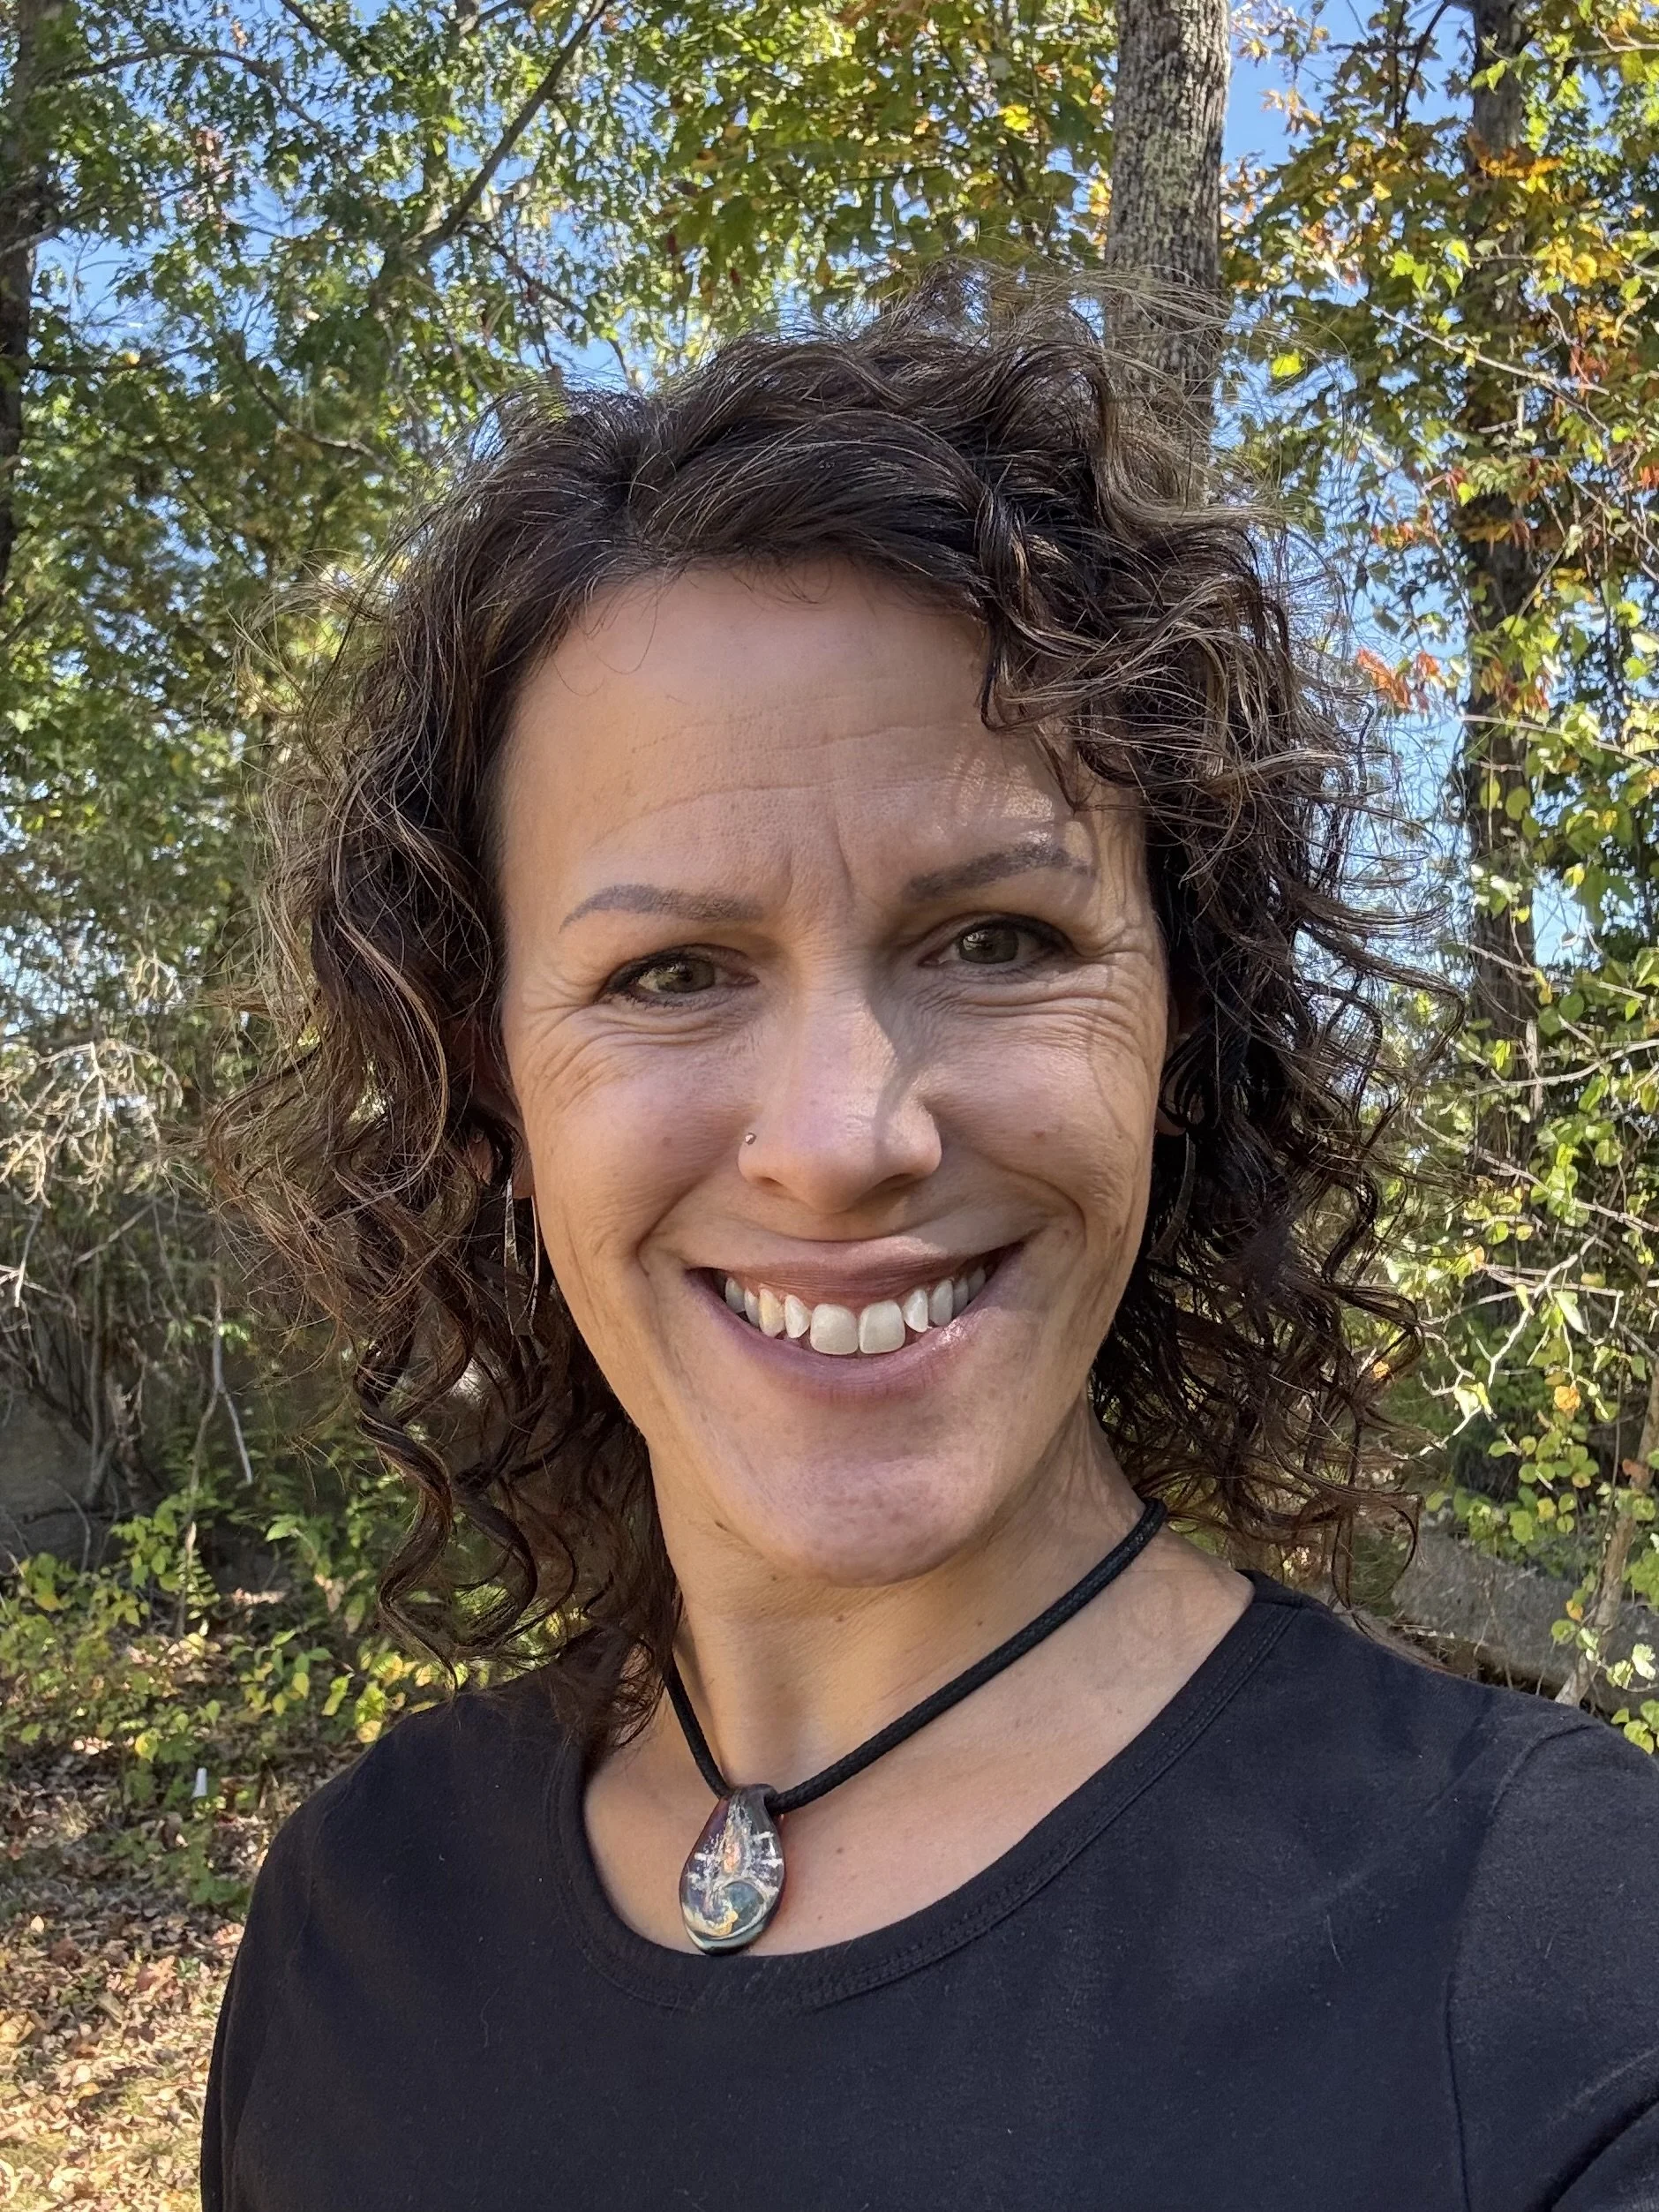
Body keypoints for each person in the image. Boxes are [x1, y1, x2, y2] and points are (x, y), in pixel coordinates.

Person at [202, 295, 1659, 2212]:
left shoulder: (1554, 1961)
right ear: (497, 1084)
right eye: (670, 971)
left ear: (1176, 1021)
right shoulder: (354, 1919)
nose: (841, 1135)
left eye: (993, 937)